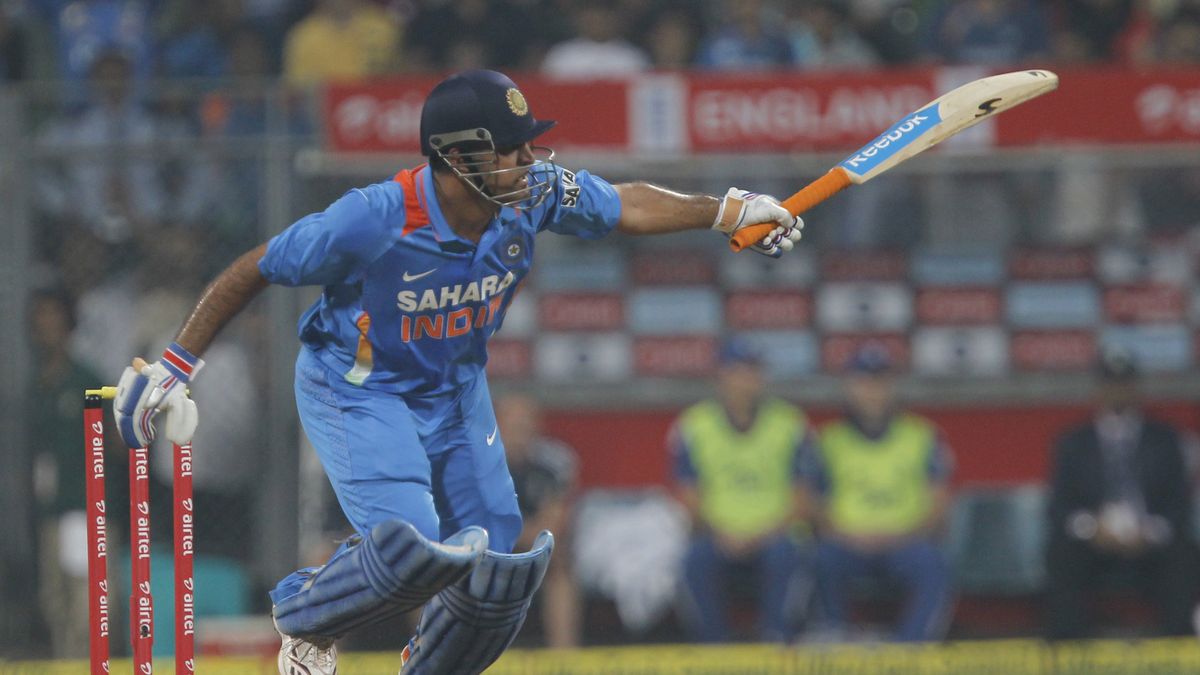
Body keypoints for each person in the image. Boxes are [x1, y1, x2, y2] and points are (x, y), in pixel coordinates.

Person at [111, 69, 803, 674]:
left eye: (530, 145)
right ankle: (306, 621)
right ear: (457, 155)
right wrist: (176, 366)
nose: (530, 161)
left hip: (454, 390)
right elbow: (256, 267)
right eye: (512, 149)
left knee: (500, 577)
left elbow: (627, 204)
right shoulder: (373, 218)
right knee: (413, 553)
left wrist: (728, 211)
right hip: (359, 390)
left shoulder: (533, 195)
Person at [800, 343, 954, 642]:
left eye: (880, 382)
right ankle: (836, 638)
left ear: (892, 386)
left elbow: (939, 504)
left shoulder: (922, 436)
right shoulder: (829, 440)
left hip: (905, 541)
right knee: (820, 558)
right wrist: (844, 534)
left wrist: (903, 534)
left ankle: (912, 647)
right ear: (849, 387)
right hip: (847, 541)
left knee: (933, 563)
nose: (872, 392)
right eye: (863, 382)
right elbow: (812, 503)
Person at [1044, 347, 1198, 639]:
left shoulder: (1165, 439)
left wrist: (1148, 531)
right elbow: (1060, 506)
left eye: (1124, 384)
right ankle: (1068, 650)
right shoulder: (1073, 442)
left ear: (1136, 387)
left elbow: (1179, 503)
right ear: (1099, 389)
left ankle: (1177, 647)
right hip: (1095, 540)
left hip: (1148, 541)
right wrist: (1092, 528)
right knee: (1062, 555)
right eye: (1111, 384)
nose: (1118, 391)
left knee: (1183, 555)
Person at [670, 338, 816, 643]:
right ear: (720, 376)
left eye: (753, 371)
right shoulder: (694, 425)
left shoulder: (790, 423)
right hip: (717, 534)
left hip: (776, 533)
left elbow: (803, 500)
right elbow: (690, 500)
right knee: (695, 558)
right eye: (737, 371)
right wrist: (722, 534)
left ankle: (777, 641)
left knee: (787, 554)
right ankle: (713, 645)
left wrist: (759, 535)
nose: (746, 380)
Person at [494, 392, 582, 648]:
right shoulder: (475, 462)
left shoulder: (555, 461)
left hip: (535, 548)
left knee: (559, 563)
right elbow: (476, 522)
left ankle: (564, 656)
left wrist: (521, 536)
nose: (521, 433)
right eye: (514, 425)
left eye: (527, 424)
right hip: (485, 546)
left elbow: (556, 521)